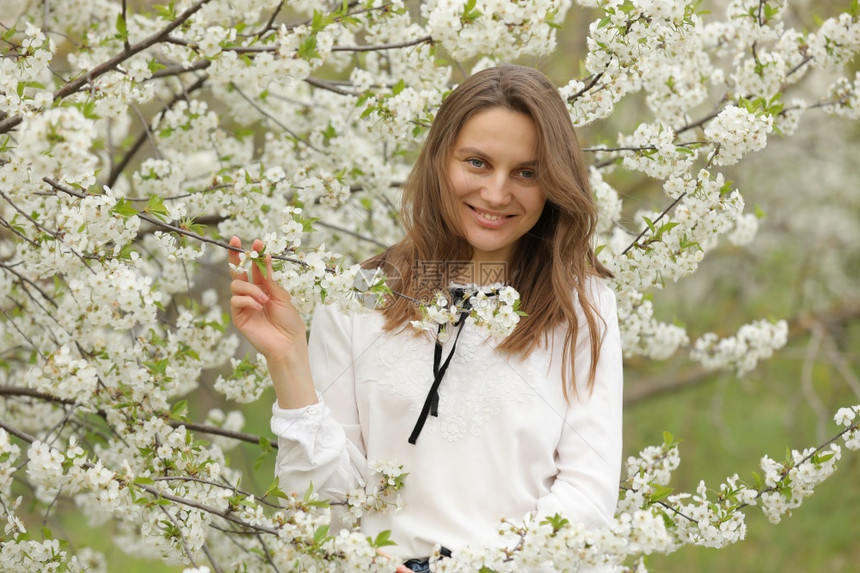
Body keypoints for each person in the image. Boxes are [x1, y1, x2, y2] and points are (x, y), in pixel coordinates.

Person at [228, 64, 623, 571]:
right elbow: (322, 502)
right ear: (440, 159)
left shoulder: (582, 306)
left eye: (527, 172)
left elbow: (587, 496)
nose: (498, 193)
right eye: (477, 163)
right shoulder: (358, 298)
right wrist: (288, 360)